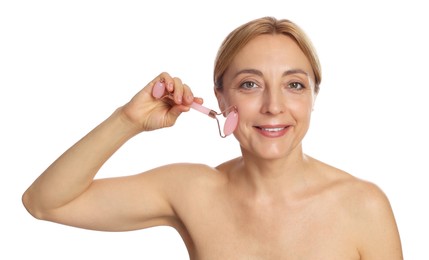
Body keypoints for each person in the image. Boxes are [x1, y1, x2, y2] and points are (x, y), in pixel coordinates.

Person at [22, 16, 403, 259]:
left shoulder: (362, 206)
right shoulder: (193, 190)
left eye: (294, 85)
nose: (274, 106)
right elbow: (45, 202)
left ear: (313, 97)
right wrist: (127, 120)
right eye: (250, 84)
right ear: (221, 97)